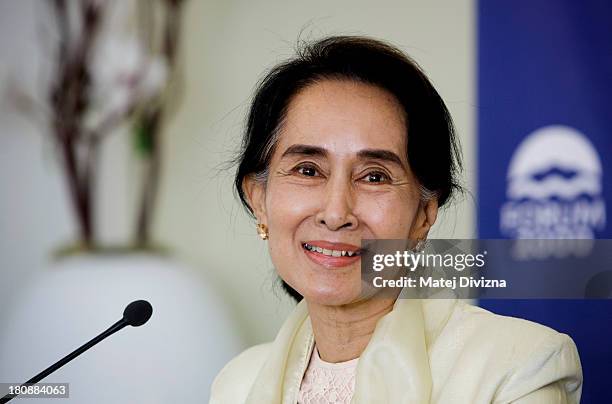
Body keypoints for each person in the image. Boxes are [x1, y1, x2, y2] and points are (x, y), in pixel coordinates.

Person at [210, 36, 582, 403]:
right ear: (258, 199)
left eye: (374, 176)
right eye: (308, 170)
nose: (337, 213)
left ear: (424, 214)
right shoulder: (237, 385)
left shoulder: (516, 368)